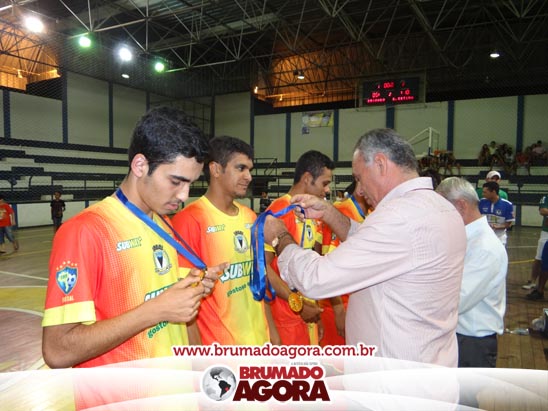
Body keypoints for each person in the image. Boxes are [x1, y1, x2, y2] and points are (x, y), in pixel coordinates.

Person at [41, 106, 228, 369]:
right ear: (140, 165)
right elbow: (57, 350)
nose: (184, 195)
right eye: (176, 181)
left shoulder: (163, 224)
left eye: (190, 183)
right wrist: (156, 310)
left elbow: (179, 318)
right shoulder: (85, 231)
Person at [263, 128, 466, 366]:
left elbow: (316, 279)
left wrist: (280, 237)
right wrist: (329, 213)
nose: (358, 189)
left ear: (380, 164)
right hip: (429, 364)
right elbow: (372, 243)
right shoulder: (440, 208)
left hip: (392, 378)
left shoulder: (398, 217)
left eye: (359, 178)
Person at [171, 136, 276, 345]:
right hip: (220, 352)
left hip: (259, 344)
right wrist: (198, 357)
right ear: (216, 169)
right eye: (240, 168)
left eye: (250, 170)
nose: (248, 177)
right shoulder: (189, 220)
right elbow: (185, 298)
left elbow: (259, 281)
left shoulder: (250, 217)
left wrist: (273, 335)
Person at [265, 150, 335, 346]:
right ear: (307, 178)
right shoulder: (278, 211)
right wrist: (298, 304)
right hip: (286, 318)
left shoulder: (313, 213)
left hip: (309, 315)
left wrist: (315, 311)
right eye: (324, 183)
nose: (327, 190)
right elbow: (263, 267)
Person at [436, 177, 507, 367]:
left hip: (472, 343)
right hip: (460, 336)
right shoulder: (466, 239)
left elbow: (457, 300)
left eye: (441, 210)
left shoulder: (484, 248)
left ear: (460, 206)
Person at [319, 180, 371, 346]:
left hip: (357, 305)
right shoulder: (342, 212)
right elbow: (329, 265)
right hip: (336, 305)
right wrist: (338, 310)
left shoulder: (371, 213)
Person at [522, 193, 548, 300]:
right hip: (546, 233)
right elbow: (543, 211)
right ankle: (534, 282)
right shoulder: (546, 197)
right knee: (541, 258)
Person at [479, 181, 515, 246]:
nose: (482, 194)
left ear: (493, 192)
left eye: (485, 192)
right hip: (483, 237)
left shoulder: (507, 205)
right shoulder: (481, 202)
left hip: (499, 238)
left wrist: (497, 227)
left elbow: (508, 224)